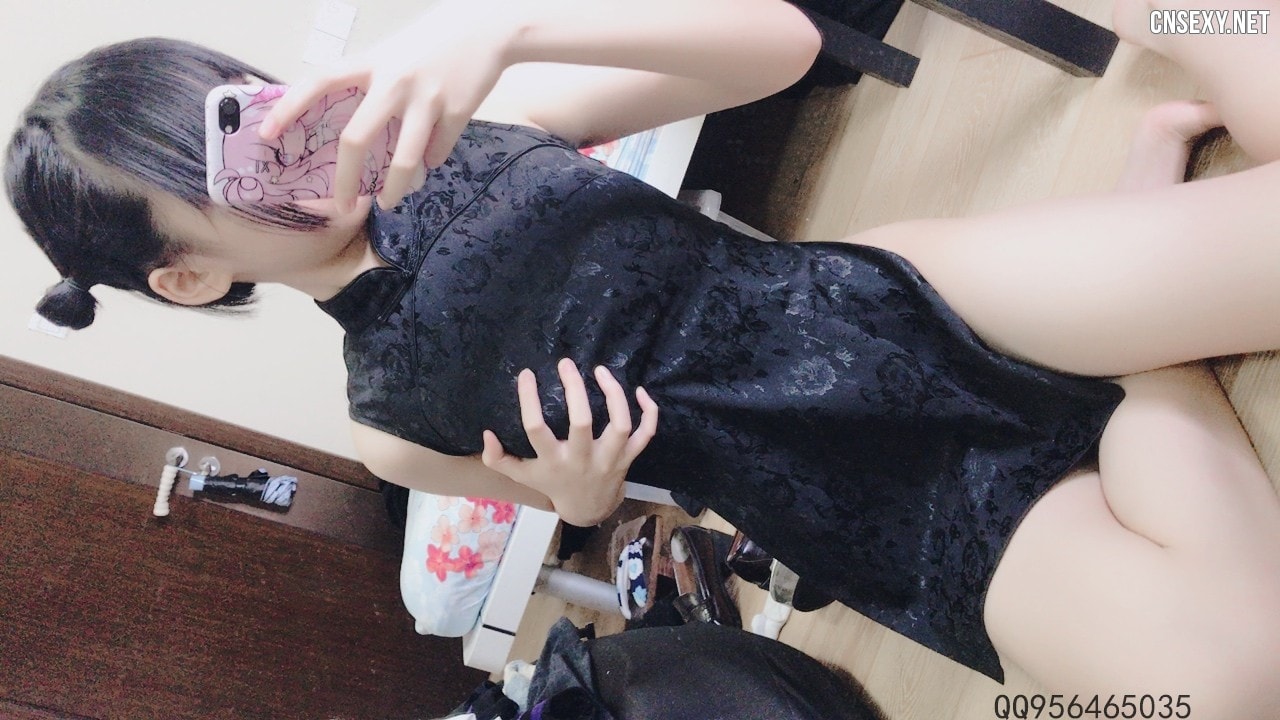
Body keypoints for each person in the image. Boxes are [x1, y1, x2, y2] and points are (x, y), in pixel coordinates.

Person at [5, 0, 1279, 716]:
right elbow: (606, 508)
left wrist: (506, 27)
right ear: (187, 275)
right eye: (226, 178)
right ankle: (1140, 302)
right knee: (1217, 690)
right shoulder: (387, 426)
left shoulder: (483, 125)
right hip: (876, 508)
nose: (288, 156)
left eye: (245, 112)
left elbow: (779, 44)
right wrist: (585, 497)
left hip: (902, 306)